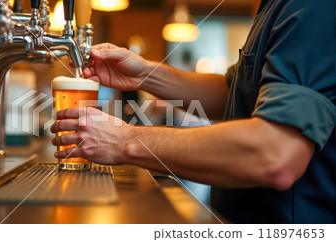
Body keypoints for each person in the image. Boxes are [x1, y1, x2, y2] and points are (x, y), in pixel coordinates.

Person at [50, 0, 336, 223]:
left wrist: (124, 141)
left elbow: (275, 153)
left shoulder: (313, 7)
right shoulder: (276, 7)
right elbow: (236, 92)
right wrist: (144, 75)